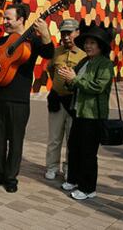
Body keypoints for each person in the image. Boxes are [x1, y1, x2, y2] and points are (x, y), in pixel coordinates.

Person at [0, 3, 54, 193]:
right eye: (4, 18)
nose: (4, 22)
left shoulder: (34, 42)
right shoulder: (1, 41)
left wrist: (45, 34)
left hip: (20, 100)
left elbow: (49, 53)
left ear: (21, 20)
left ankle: (10, 177)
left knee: (16, 140)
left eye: (8, 18)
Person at [58, 23, 114, 200]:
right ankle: (73, 179)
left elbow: (97, 87)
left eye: (93, 43)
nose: (88, 46)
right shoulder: (84, 61)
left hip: (93, 115)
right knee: (74, 148)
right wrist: (67, 76)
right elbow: (73, 82)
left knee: (88, 153)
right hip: (78, 112)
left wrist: (74, 79)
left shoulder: (105, 64)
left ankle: (88, 188)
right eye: (87, 43)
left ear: (100, 46)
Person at [45, 19, 86, 180]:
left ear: (77, 32)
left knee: (72, 138)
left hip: (74, 101)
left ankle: (69, 167)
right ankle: (52, 166)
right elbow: (50, 71)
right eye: (63, 33)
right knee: (54, 137)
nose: (66, 37)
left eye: (69, 33)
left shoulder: (84, 54)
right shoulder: (56, 52)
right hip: (56, 99)